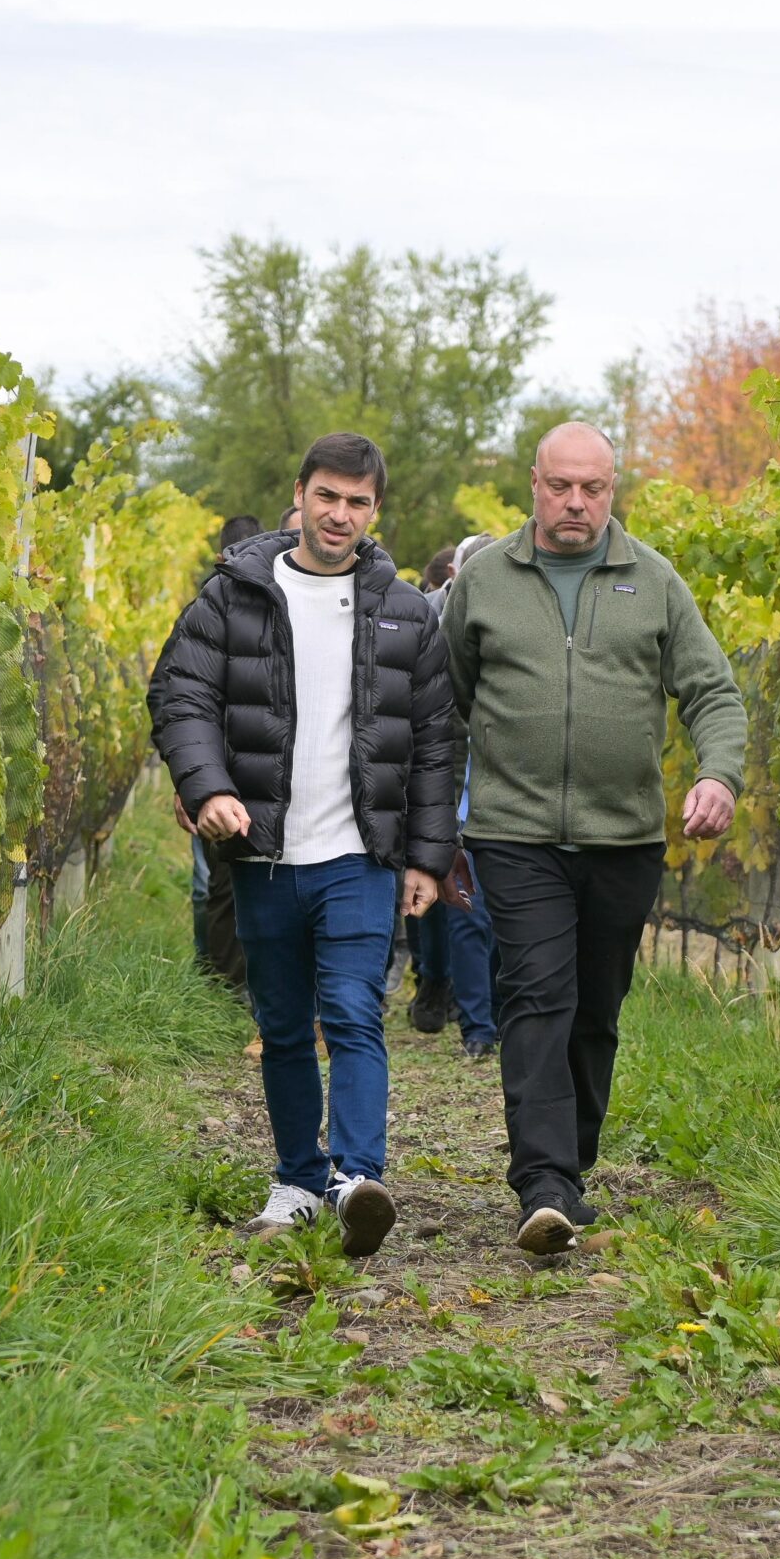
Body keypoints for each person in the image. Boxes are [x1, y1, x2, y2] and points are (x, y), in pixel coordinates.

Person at [148, 432, 460, 1255]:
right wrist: (205, 784)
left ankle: (357, 1179)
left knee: (355, 1011)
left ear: (375, 511)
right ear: (301, 494)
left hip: (361, 853)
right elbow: (179, 693)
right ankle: (296, 1179)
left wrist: (427, 856)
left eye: (358, 502)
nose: (340, 514)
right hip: (265, 852)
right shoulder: (236, 594)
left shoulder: (405, 611)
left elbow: (435, 738)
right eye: (328, 496)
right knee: (283, 1023)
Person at [442, 423, 746, 1254]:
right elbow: (450, 699)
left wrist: (718, 773)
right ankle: (542, 1181)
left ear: (614, 490)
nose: (576, 503)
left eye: (594, 488)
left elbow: (712, 691)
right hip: (514, 829)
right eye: (561, 486)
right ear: (532, 484)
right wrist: (448, 820)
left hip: (625, 837)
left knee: (596, 1005)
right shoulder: (486, 579)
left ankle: (570, 1161)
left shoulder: (654, 582)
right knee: (537, 994)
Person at [409, 536, 499, 1057]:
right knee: (467, 913)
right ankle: (477, 1029)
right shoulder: (432, 626)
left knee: (502, 922)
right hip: (455, 798)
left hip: (508, 800)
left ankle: (498, 1016)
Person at [185, 513, 264, 989]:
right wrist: (192, 779)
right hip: (219, 774)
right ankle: (223, 986)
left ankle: (246, 988)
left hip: (258, 777)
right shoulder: (206, 608)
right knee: (215, 885)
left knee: (231, 889)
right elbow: (176, 695)